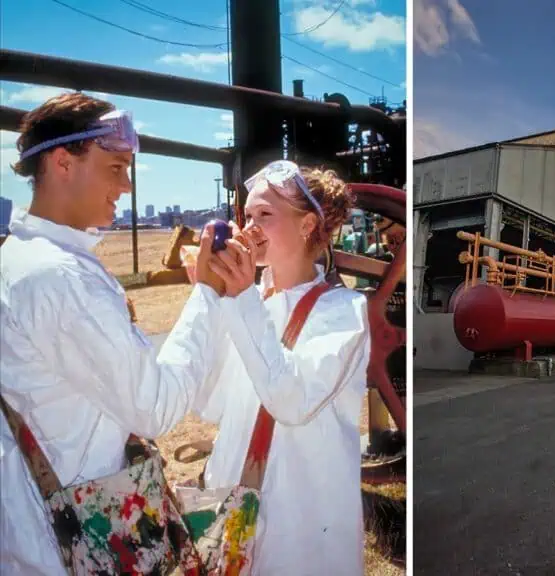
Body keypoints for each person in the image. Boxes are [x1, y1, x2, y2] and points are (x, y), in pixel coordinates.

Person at [0, 93, 227, 573]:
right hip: (79, 536)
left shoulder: (17, 260)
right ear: (63, 162)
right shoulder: (62, 278)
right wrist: (206, 293)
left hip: (32, 524)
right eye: (115, 167)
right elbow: (157, 408)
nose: (125, 186)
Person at [190, 160, 370, 575]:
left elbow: (291, 401)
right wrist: (209, 301)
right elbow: (210, 404)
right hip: (231, 505)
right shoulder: (250, 301)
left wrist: (239, 299)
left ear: (308, 225)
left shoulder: (343, 312)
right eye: (247, 216)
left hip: (300, 522)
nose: (249, 229)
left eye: (265, 216)